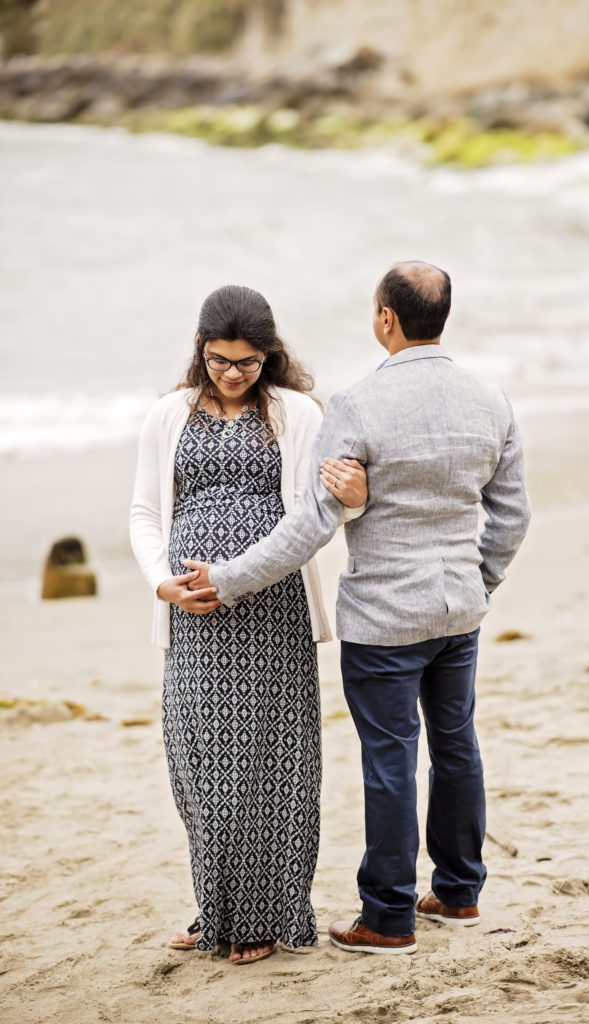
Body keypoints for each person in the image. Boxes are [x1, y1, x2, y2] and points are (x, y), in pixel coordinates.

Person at [185, 261, 531, 955]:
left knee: (391, 760)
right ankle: (459, 893)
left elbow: (311, 526)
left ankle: (389, 917)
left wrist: (226, 580)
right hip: (457, 612)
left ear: (385, 319)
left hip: (383, 620)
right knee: (457, 744)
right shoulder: (490, 400)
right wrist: (478, 580)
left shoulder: (358, 406)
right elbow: (512, 514)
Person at [129, 284, 367, 965]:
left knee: (270, 765)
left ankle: (264, 919)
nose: (233, 374)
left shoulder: (296, 412)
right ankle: (218, 909)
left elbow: (324, 508)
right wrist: (161, 581)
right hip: (192, 616)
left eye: (248, 362)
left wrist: (355, 497)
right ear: (200, 351)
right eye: (219, 360)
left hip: (271, 608)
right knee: (200, 765)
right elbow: (146, 512)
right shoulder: (166, 415)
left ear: (271, 355)